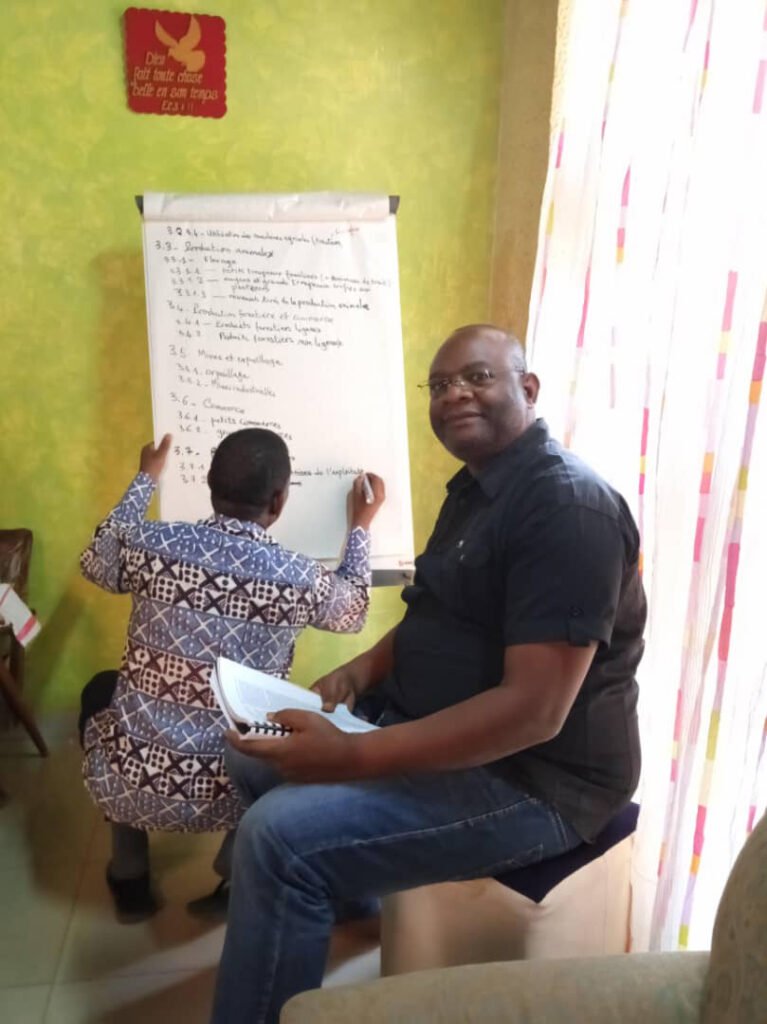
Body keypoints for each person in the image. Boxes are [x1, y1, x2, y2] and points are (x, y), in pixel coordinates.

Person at [211, 324, 647, 1024]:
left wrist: (352, 752)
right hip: (429, 726)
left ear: (527, 389)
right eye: (439, 385)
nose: (453, 396)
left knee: (277, 837)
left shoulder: (567, 508)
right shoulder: (473, 490)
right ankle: (345, 890)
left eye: (476, 377)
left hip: (535, 781)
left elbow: (533, 713)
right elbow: (434, 611)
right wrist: (356, 674)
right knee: (256, 755)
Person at [78, 427, 384, 922]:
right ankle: (235, 865)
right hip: (236, 780)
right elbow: (352, 613)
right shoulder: (300, 575)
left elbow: (97, 562)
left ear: (207, 481)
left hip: (137, 777)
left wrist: (147, 477)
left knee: (99, 690)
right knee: (280, 731)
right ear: (280, 500)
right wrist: (362, 525)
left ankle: (129, 874)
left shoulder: (153, 543)